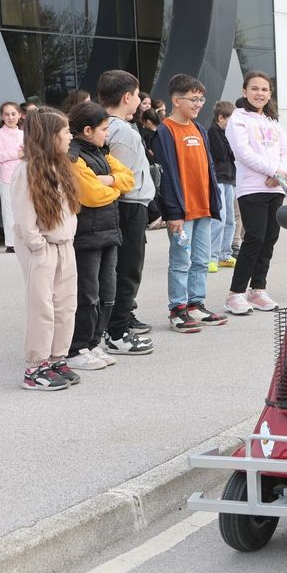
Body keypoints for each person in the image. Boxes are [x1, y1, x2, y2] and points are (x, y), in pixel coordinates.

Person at [12, 108, 82, 390]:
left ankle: (56, 357)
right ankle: (35, 366)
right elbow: (25, 216)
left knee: (66, 305)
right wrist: (38, 246)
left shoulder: (60, 166)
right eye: (65, 132)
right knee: (43, 307)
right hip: (42, 248)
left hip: (65, 246)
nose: (70, 136)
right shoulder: (27, 170)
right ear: (50, 136)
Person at [153, 74, 228, 333]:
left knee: (201, 260)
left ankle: (196, 303)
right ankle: (178, 309)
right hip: (182, 212)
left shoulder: (198, 129)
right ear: (176, 100)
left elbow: (208, 169)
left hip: (203, 207)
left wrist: (214, 201)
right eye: (193, 99)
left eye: (201, 99)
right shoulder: (165, 131)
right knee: (180, 261)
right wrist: (173, 212)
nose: (199, 104)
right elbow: (165, 175)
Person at [65, 102, 134, 371]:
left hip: (108, 231)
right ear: (87, 130)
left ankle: (93, 342)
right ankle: (77, 347)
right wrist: (115, 185)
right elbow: (90, 195)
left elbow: (129, 177)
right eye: (104, 129)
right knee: (87, 294)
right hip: (86, 235)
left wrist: (108, 181)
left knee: (107, 293)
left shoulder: (101, 152)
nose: (107, 134)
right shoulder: (74, 156)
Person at [224, 71, 287, 315]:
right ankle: (235, 294)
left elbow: (286, 151)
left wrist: (281, 173)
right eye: (254, 89)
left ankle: (258, 289)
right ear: (244, 91)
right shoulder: (238, 119)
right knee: (254, 238)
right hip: (252, 188)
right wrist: (273, 170)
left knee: (270, 238)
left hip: (275, 188)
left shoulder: (272, 121)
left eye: (264, 89)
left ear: (269, 94)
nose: (259, 93)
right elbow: (243, 153)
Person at [100, 70, 156, 354]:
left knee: (123, 268)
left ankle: (118, 323)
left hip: (131, 205)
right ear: (126, 97)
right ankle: (117, 332)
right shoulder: (119, 129)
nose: (138, 100)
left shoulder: (113, 125)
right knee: (128, 269)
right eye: (136, 95)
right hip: (129, 205)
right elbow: (120, 175)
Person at [0, 101, 24, 253]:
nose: (10, 117)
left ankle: (24, 240)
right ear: (2, 117)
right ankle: (11, 242)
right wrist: (15, 154)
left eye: (13, 114)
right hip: (7, 177)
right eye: (7, 114)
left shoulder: (24, 134)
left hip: (24, 176)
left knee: (24, 209)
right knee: (9, 210)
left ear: (20, 115)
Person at [208, 100, 238, 273]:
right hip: (218, 178)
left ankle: (225, 254)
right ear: (221, 118)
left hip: (229, 179)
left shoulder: (228, 133)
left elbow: (234, 154)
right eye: (230, 120)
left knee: (230, 219)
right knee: (219, 218)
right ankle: (212, 256)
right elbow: (222, 153)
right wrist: (230, 142)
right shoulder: (214, 131)